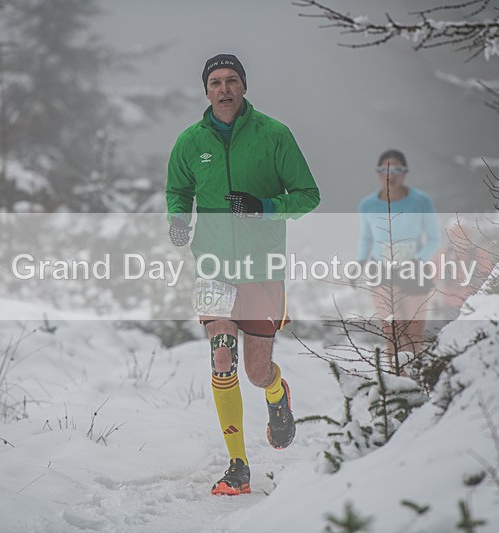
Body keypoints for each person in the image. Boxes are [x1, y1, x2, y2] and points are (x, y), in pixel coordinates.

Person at [165, 54, 320, 496]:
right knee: (220, 356)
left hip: (261, 268)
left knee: (255, 370)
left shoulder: (275, 135)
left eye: (232, 80)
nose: (225, 88)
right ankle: (238, 466)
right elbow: (178, 190)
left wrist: (265, 207)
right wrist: (178, 218)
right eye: (216, 82)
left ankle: (277, 393)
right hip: (213, 266)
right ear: (207, 91)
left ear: (245, 87)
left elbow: (309, 195)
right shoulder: (190, 142)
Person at [355, 149, 440, 373]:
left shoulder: (421, 201)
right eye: (384, 169)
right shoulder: (367, 205)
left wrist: (417, 260)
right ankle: (394, 385)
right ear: (377, 173)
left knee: (413, 335)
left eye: (396, 170)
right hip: (380, 270)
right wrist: (360, 263)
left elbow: (434, 239)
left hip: (414, 271)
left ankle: (416, 382)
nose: (390, 174)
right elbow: (366, 237)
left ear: (405, 173)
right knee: (392, 332)